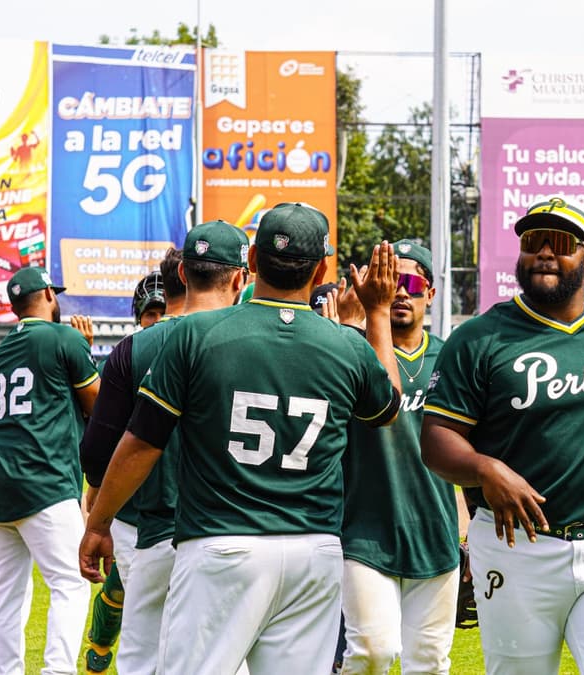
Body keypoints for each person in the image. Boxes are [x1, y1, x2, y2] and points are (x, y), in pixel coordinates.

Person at [78, 202, 403, 675]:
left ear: (251, 262)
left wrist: (100, 521)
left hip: (222, 543)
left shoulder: (195, 334)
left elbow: (142, 443)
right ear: (322, 267)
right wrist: (375, 313)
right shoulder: (345, 345)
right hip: (313, 550)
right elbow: (389, 409)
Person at [420, 197, 584, 675]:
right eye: (533, 242)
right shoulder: (479, 338)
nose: (544, 253)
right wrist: (483, 467)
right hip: (516, 550)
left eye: (560, 244)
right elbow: (436, 439)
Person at [83, 220, 250, 675]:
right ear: (241, 276)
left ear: (180, 276)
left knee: (143, 657)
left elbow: (97, 454)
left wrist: (98, 515)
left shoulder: (134, 348)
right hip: (236, 527)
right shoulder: (253, 341)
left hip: (146, 528)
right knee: (223, 658)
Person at [338, 240, 460, 675]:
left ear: (429, 293)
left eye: (410, 282)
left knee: (428, 662)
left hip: (435, 532)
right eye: (389, 283)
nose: (401, 293)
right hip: (364, 532)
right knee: (372, 651)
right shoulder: (350, 353)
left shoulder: (451, 358)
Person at [0, 265, 101, 675]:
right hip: (43, 479)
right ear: (48, 294)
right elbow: (97, 406)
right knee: (71, 582)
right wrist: (85, 349)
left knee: (8, 591)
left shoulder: (2, 352)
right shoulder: (64, 337)